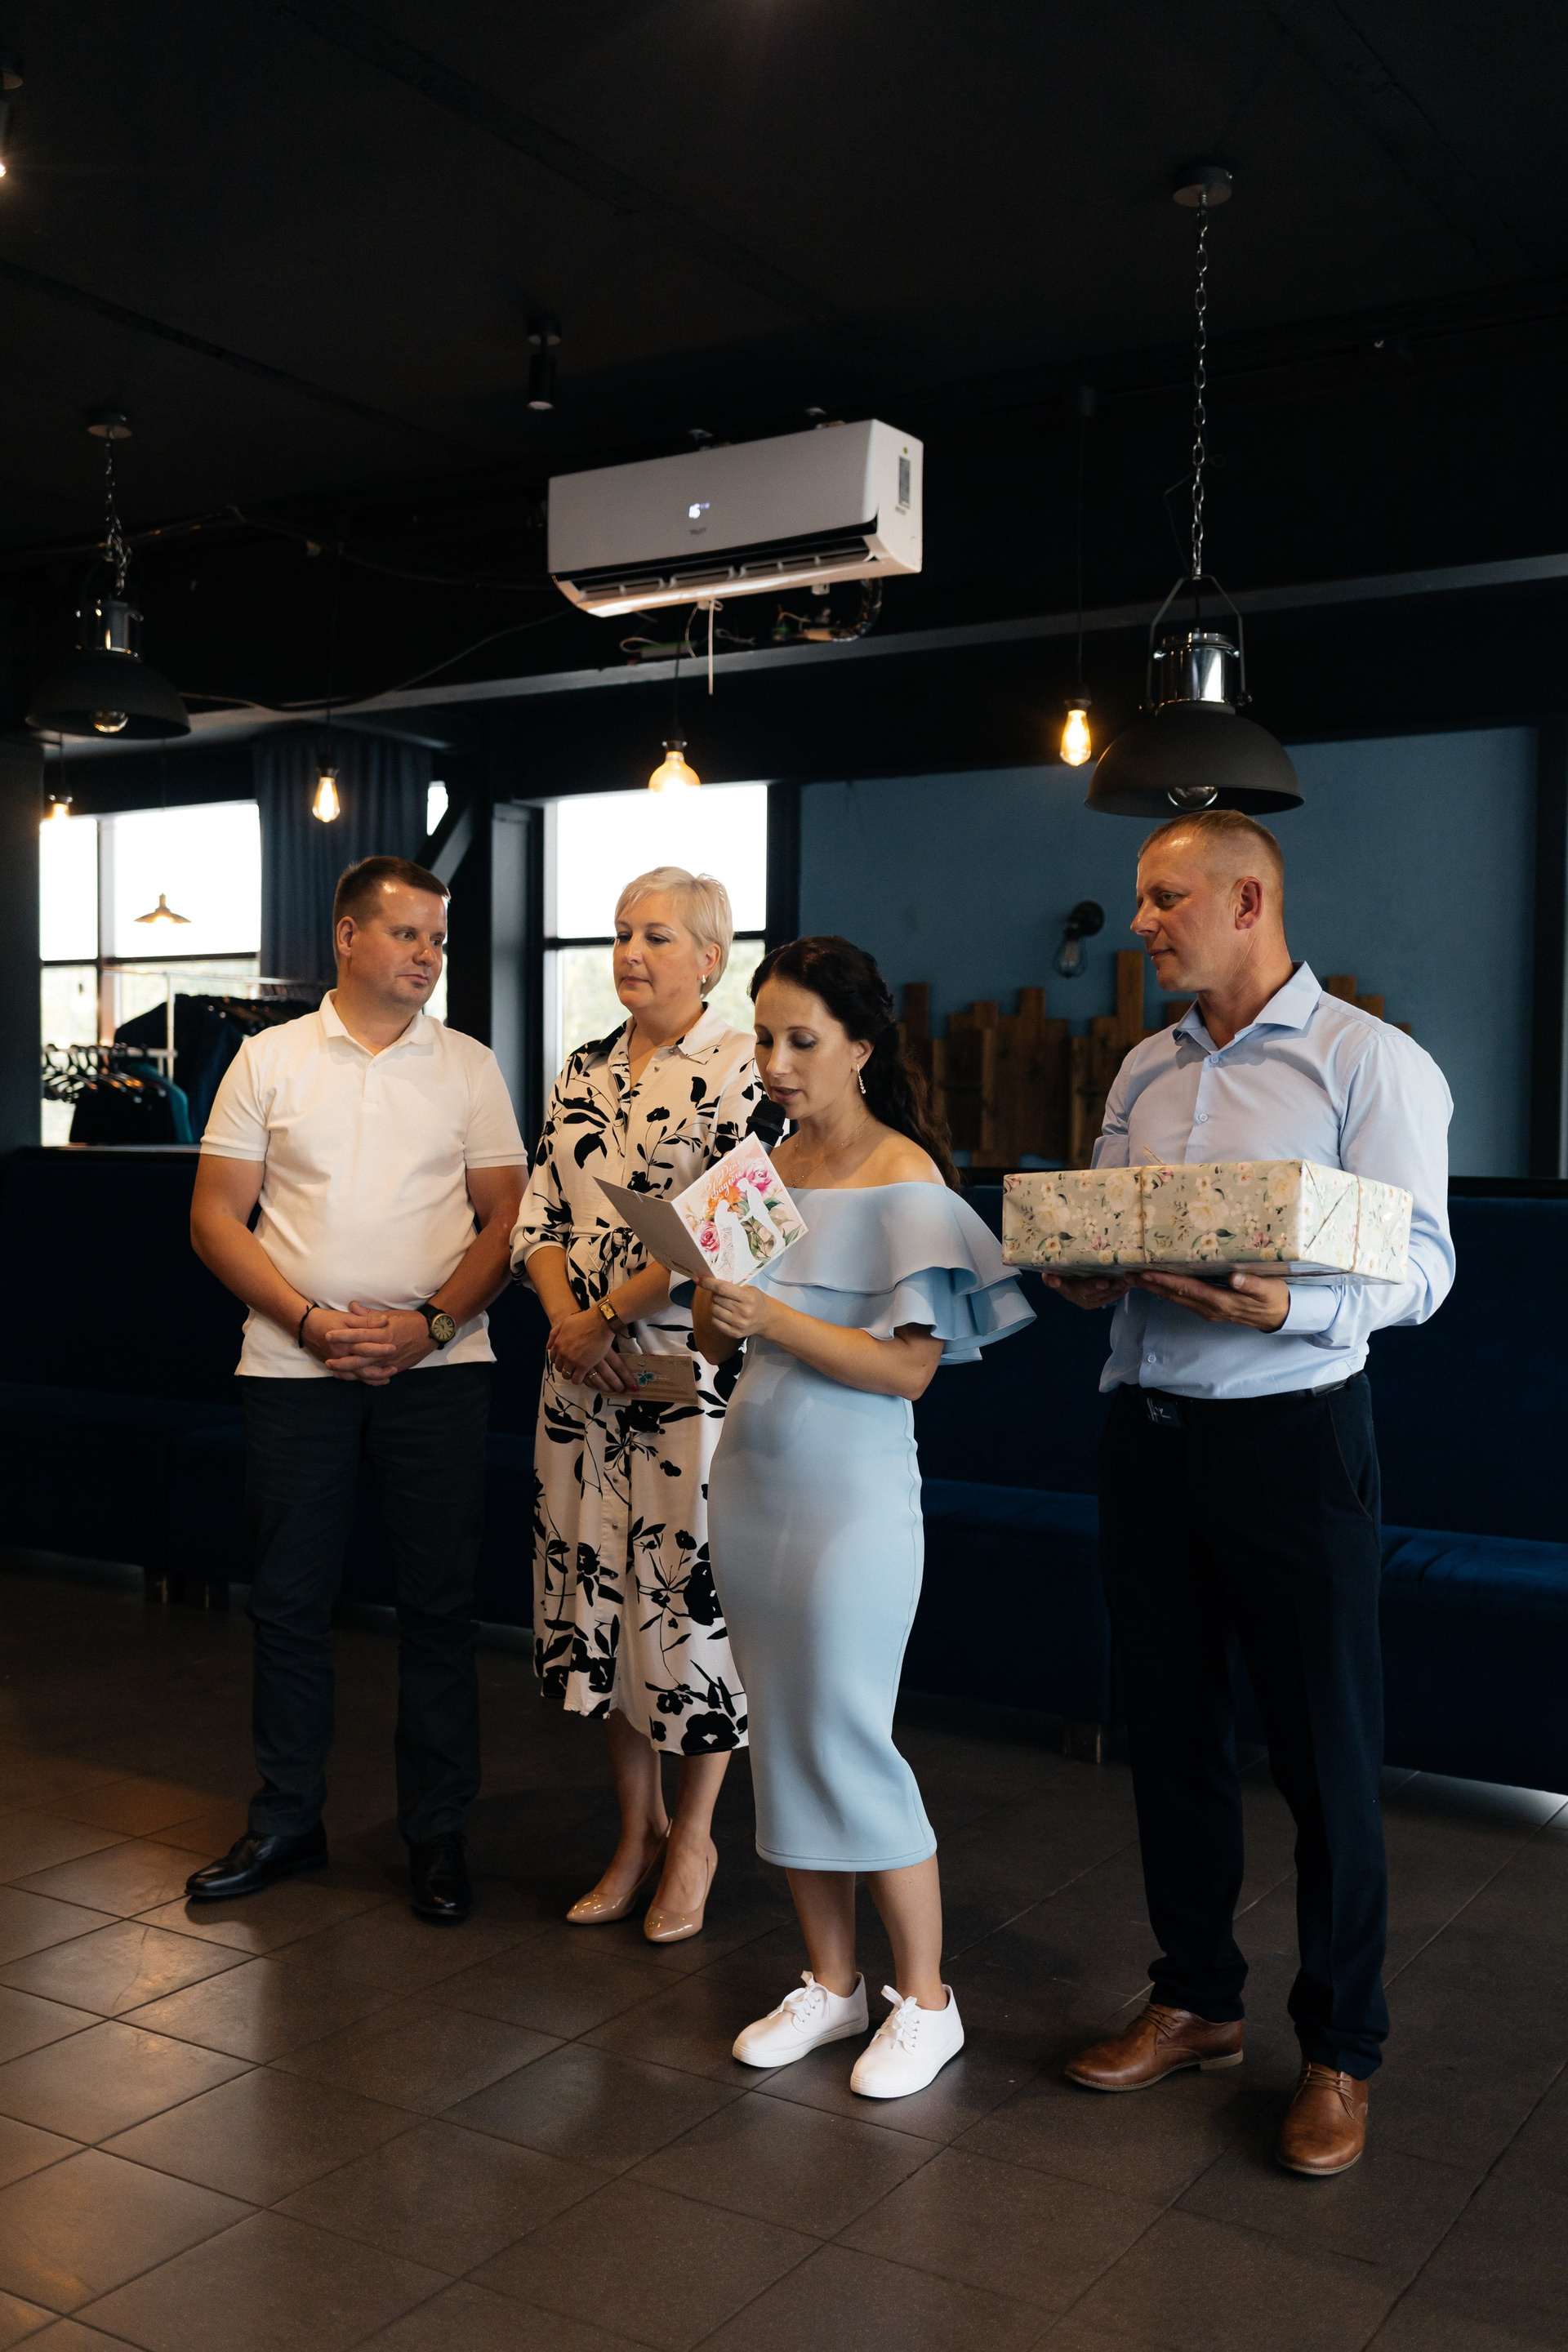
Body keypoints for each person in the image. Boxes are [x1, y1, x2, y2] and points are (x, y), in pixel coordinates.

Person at [1051, 809, 1454, 2176]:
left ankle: (1341, 2051)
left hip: (1295, 1441)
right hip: (1149, 1438)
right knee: (1171, 1737)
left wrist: (1292, 1305)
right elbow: (1112, 1223)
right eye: (1142, 901)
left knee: (1326, 1758)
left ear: (1247, 900)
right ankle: (1196, 2000)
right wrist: (1085, 1267)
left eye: (1165, 899)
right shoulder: (1143, 1066)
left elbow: (1425, 1266)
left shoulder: (1368, 1061)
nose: (1142, 924)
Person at [689, 936, 1033, 2100]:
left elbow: (908, 1373)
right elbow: (714, 1344)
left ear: (861, 1048)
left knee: (846, 1730)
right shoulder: (758, 1168)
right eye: (764, 1038)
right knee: (783, 1732)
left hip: (855, 1499)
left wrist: (773, 1317)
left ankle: (927, 2002)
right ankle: (832, 1984)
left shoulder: (907, 1176)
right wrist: (718, 1302)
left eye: (802, 1040)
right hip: (752, 1477)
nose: (776, 1063)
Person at [186, 855, 526, 1925]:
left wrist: (429, 1327)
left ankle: (438, 1834)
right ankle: (288, 1819)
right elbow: (213, 1219)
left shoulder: (468, 1066)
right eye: (408, 934)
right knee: (288, 1602)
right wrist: (310, 1322)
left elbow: (509, 1222)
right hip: (294, 1370)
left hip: (440, 1372)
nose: (429, 955)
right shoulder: (268, 1059)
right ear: (348, 937)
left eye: (438, 939)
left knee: (438, 1607)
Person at [512, 867, 771, 1941]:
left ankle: (696, 1837)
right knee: (599, 1605)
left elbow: (740, 1223)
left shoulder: (750, 1068)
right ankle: (636, 1832)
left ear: (710, 957)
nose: (630, 952)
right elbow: (536, 1214)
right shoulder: (582, 1067)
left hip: (686, 1374)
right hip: (579, 1381)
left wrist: (609, 1315)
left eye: (657, 936)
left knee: (688, 1604)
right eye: (622, 933)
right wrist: (569, 1323)